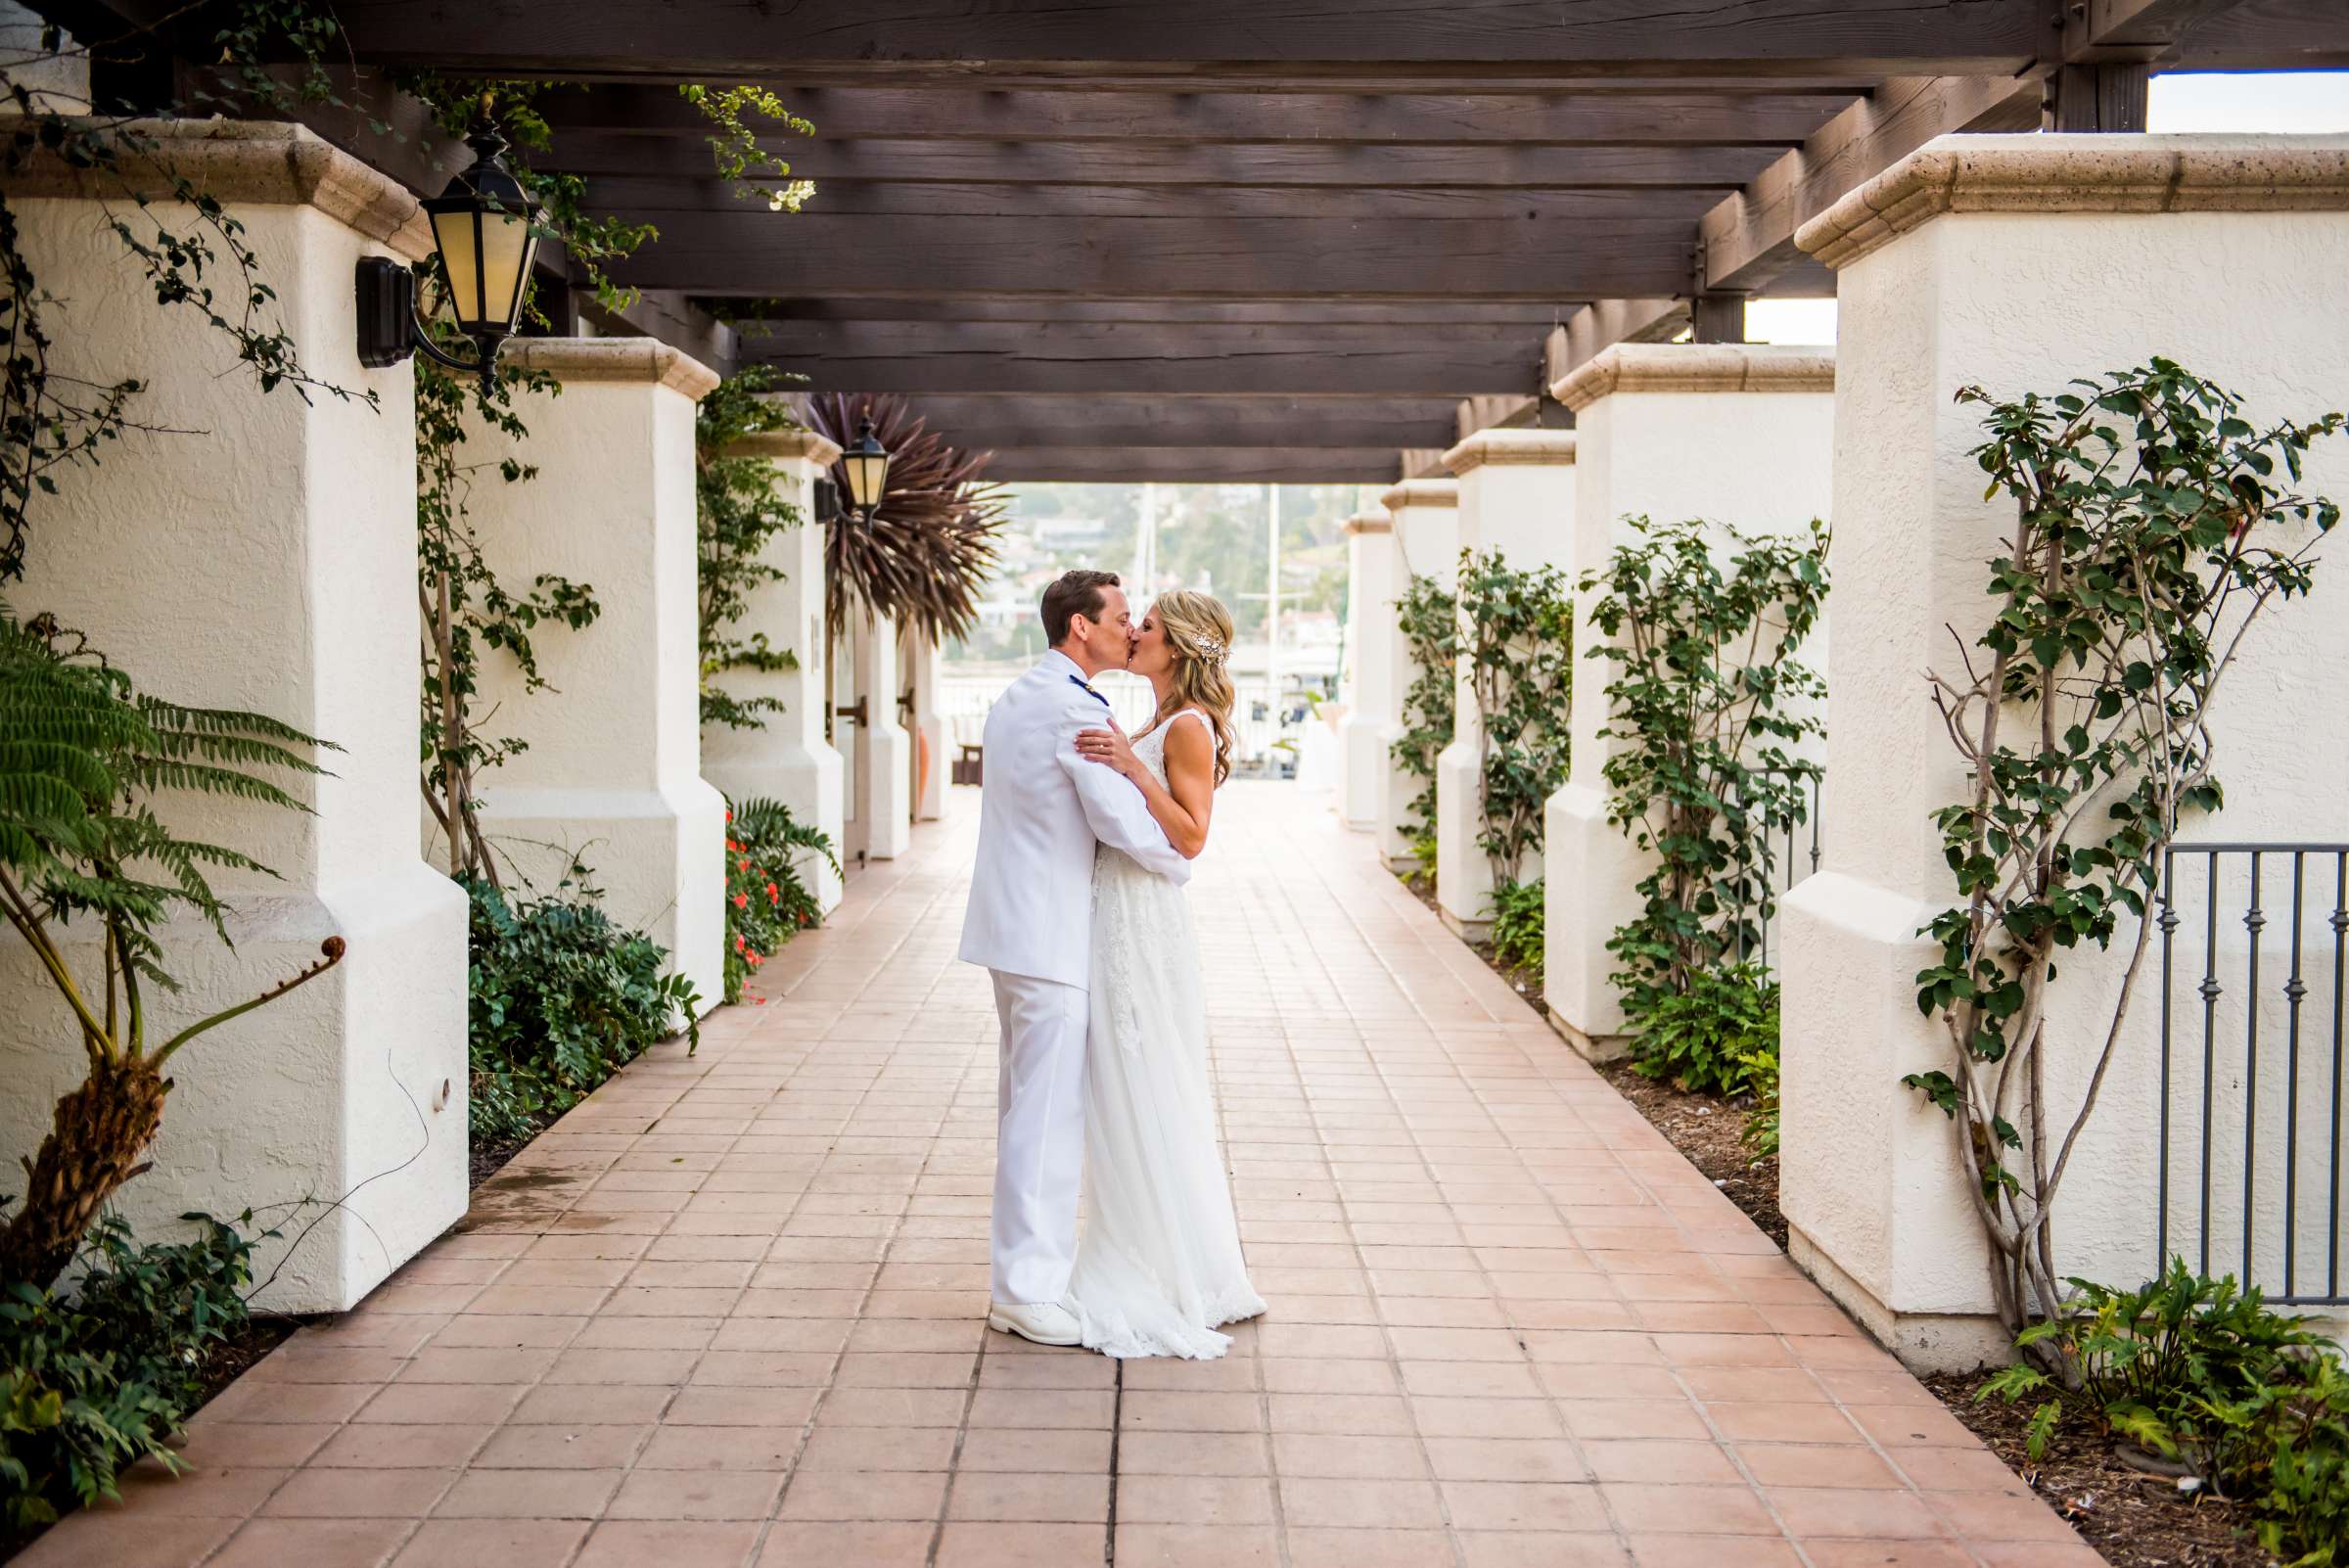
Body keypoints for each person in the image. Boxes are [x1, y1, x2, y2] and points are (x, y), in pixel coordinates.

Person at [957, 570, 1191, 1347]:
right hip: (1050, 934)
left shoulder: (1024, 692)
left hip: (1013, 929)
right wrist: (1178, 859)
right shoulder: (1072, 709)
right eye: (1123, 617)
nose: (1132, 629)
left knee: (1028, 1104)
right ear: (1081, 628)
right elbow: (1120, 818)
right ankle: (1027, 1291)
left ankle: (1017, 1284)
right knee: (1047, 1117)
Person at [1064, 589, 1266, 1358]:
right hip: (1114, 911)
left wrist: (1132, 769)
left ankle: (1161, 1267)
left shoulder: (1186, 727)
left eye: (1146, 624)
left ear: (1176, 645)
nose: (1134, 632)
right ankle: (1144, 1242)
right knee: (1124, 1083)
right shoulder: (1151, 721)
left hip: (1144, 921)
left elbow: (1191, 838)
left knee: (1143, 1078)